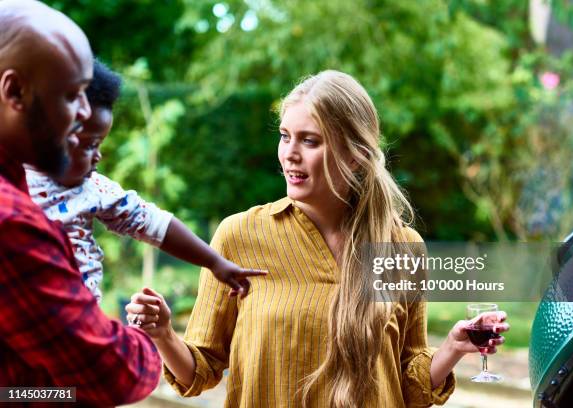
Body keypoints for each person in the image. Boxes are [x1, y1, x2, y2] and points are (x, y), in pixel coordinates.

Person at [126, 70, 510, 407]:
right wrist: (162, 334)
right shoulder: (239, 235)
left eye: (310, 141)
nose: (289, 154)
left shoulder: (402, 248)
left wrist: (455, 348)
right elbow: (201, 370)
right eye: (285, 136)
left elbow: (408, 387)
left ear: (355, 155)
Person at [0, 1, 159, 405]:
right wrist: (148, 339)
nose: (85, 113)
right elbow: (112, 373)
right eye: (72, 96)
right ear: (14, 91)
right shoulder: (11, 223)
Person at [26, 59, 266, 303]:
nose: (98, 155)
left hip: (82, 322)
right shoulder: (11, 184)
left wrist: (214, 262)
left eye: (99, 144)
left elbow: (154, 223)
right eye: (89, 145)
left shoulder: (92, 188)